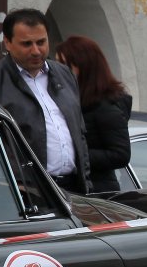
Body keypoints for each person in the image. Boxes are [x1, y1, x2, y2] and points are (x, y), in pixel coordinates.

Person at [0, 8, 91, 194]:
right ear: (8, 43)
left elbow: (79, 133)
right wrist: (13, 186)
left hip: (74, 189)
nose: (36, 51)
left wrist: (85, 179)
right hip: (26, 192)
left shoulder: (64, 74)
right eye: (27, 44)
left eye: (41, 42)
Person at [55, 36, 131, 194]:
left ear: (85, 66)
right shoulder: (69, 100)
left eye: (65, 65)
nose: (57, 71)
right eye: (56, 64)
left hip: (97, 192)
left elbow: (120, 154)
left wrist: (75, 154)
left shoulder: (105, 107)